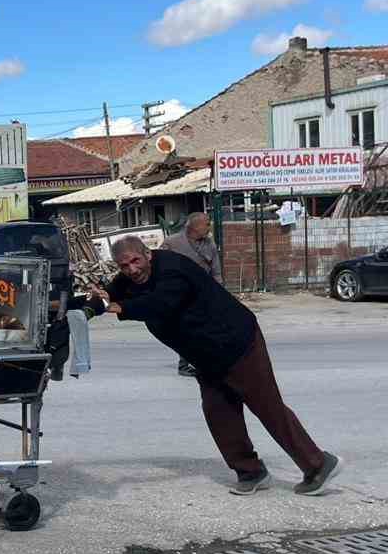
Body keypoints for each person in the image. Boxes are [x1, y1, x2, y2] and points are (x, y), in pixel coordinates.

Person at [89, 235, 340, 496]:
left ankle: (318, 465)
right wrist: (83, 305)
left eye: (135, 261)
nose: (132, 269)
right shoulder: (128, 279)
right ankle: (250, 472)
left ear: (148, 254)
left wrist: (119, 307)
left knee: (267, 407)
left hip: (237, 343)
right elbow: (106, 296)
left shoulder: (173, 269)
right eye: (124, 266)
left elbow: (160, 304)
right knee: (219, 414)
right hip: (206, 357)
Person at [162, 212, 224, 377]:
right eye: (207, 224)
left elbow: (216, 270)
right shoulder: (172, 243)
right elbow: (160, 268)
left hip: (204, 294)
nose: (209, 227)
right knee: (187, 330)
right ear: (195, 226)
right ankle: (184, 364)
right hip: (181, 295)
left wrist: (219, 291)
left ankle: (205, 361)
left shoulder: (209, 243)